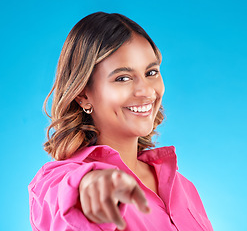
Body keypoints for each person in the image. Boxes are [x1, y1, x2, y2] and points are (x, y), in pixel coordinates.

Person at [28, 12, 213, 231]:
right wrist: (85, 184)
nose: (146, 91)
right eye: (122, 78)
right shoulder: (58, 182)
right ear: (83, 95)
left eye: (151, 72)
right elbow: (58, 194)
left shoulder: (183, 187)